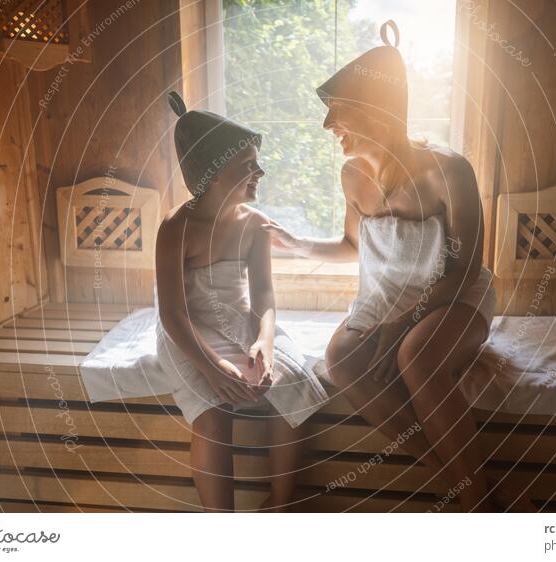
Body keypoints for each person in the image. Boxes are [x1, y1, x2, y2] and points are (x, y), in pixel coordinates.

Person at [262, 21, 536, 512]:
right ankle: (463, 480)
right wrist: (296, 244)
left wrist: (401, 326)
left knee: (415, 357)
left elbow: (467, 265)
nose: (328, 125)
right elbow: (353, 245)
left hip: (454, 295)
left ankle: (472, 503)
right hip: (387, 297)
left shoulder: (448, 171)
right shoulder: (351, 176)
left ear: (376, 111)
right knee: (342, 361)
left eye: (337, 110)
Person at [155, 91, 329, 512]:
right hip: (189, 330)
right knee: (215, 414)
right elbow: (172, 313)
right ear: (214, 172)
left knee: (291, 383)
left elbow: (265, 294)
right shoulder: (176, 228)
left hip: (241, 319)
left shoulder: (254, 224)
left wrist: (264, 342)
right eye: (248, 165)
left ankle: (280, 506)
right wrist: (210, 365)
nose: (260, 172)